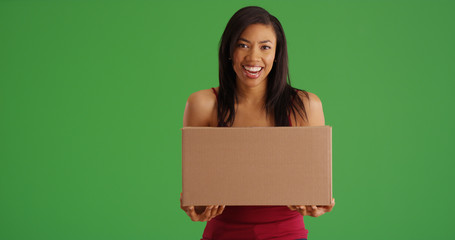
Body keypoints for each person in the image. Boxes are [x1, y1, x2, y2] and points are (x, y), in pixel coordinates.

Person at [180, 6, 335, 240]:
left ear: (276, 54)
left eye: (265, 47)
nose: (253, 57)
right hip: (223, 234)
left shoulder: (305, 106)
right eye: (243, 45)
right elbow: (199, 190)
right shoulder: (203, 104)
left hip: (286, 234)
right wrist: (197, 208)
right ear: (229, 50)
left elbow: (314, 189)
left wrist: (318, 205)